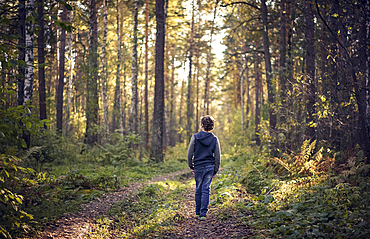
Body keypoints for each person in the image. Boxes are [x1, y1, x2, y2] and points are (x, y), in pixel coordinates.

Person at [187, 115, 221, 221]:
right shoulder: (214, 139)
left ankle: (197, 213)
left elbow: (189, 153)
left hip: (198, 166)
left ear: (201, 125)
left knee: (198, 189)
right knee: (206, 189)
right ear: (212, 126)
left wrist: (191, 166)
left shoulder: (195, 137)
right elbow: (218, 156)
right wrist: (215, 169)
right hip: (209, 167)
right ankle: (203, 214)